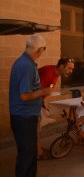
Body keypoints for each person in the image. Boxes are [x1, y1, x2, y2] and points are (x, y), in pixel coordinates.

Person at [9, 34, 52, 177]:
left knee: (30, 153)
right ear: (39, 49)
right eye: (44, 49)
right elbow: (24, 95)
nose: (43, 52)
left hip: (25, 116)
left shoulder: (24, 62)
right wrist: (43, 91)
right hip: (24, 117)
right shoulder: (26, 66)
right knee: (27, 155)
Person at [37, 57, 75, 159]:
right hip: (31, 104)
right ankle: (38, 153)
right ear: (62, 66)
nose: (71, 71)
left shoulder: (56, 73)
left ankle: (38, 148)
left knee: (36, 127)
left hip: (38, 102)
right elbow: (37, 90)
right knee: (34, 128)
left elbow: (45, 90)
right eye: (69, 68)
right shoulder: (48, 72)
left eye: (72, 69)